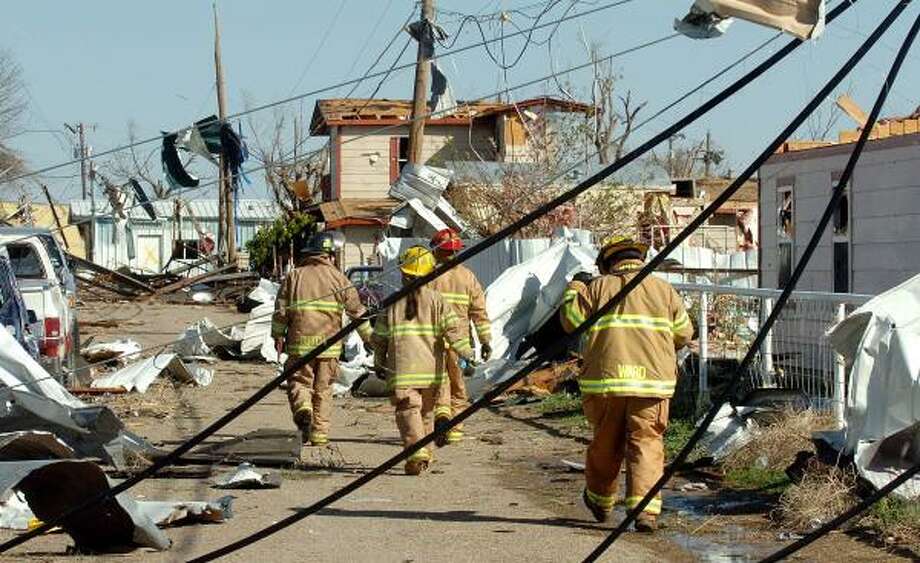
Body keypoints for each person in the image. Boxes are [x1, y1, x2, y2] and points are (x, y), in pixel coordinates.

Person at [560, 236, 693, 532]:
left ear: (608, 263)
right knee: (646, 443)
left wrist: (575, 288)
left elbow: (570, 321)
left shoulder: (597, 287)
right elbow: (684, 333)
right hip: (652, 384)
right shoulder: (664, 290)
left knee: (606, 443)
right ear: (639, 259)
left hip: (606, 383)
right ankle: (644, 512)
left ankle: (600, 500)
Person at [372, 245, 476, 475]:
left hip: (402, 371)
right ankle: (426, 454)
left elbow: (378, 338)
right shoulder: (438, 301)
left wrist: (378, 361)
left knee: (408, 411)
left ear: (403, 274)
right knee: (427, 413)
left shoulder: (391, 303)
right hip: (432, 372)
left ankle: (416, 452)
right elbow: (454, 332)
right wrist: (468, 355)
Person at [271, 232, 372, 447]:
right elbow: (357, 312)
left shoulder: (294, 276)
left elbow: (281, 310)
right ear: (329, 256)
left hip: (300, 345)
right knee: (324, 390)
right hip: (330, 348)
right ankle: (319, 435)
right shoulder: (339, 278)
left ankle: (303, 408)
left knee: (299, 382)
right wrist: (370, 339)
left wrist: (277, 335)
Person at [427, 228, 491, 446]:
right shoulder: (467, 277)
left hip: (431, 342)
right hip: (460, 343)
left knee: (438, 383)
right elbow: (479, 312)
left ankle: (441, 415)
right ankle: (455, 430)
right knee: (458, 385)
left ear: (437, 251)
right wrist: (485, 341)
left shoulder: (428, 277)